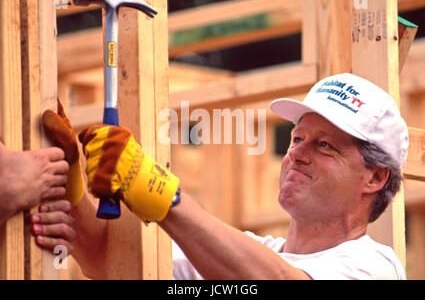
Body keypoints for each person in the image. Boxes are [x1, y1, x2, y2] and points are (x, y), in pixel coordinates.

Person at [33, 73, 408, 280]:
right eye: (297, 138)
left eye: (324, 146)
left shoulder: (374, 267)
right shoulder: (238, 257)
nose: (296, 154)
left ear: (374, 177)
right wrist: (72, 188)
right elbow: (116, 266)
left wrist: (161, 193)